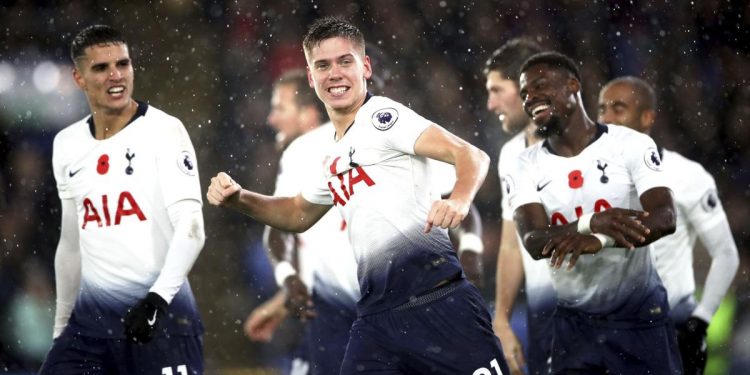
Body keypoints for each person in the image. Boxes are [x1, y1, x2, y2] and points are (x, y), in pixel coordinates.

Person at [208, 16, 508, 375]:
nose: (334, 73)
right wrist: (239, 198)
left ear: (365, 67)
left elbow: (472, 155)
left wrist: (459, 199)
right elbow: (297, 214)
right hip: (376, 320)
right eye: (323, 65)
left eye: (344, 62)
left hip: (436, 302)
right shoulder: (332, 155)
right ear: (311, 77)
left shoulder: (384, 117)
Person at [40, 25, 206, 374]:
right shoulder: (66, 145)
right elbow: (70, 244)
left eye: (123, 64)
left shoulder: (164, 131)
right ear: (79, 78)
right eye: (101, 67)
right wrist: (60, 329)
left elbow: (192, 227)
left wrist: (157, 299)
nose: (116, 75)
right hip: (90, 329)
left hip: (163, 322)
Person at [508, 51, 682, 374]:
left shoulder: (631, 144)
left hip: (639, 317)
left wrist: (600, 239)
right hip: (574, 327)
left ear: (573, 84)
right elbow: (533, 241)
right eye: (524, 94)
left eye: (540, 85)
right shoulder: (523, 164)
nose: (531, 98)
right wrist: (590, 222)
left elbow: (665, 218)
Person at [597, 76, 740, 375]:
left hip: (671, 327)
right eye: (601, 109)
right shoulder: (587, 179)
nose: (606, 118)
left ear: (648, 117)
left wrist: (699, 322)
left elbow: (726, 254)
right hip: (607, 329)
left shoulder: (686, 175)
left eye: (618, 108)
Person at [245, 69, 360, 375]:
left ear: (309, 115)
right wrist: (285, 299)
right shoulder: (365, 139)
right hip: (370, 308)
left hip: (339, 318)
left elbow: (279, 232)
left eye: (280, 108)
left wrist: (286, 278)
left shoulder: (303, 151)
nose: (272, 119)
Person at [485, 38, 556, 375]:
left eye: (498, 90)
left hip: (604, 312)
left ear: (527, 86)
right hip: (545, 317)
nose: (490, 103)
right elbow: (512, 245)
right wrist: (501, 319)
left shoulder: (589, 144)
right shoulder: (510, 155)